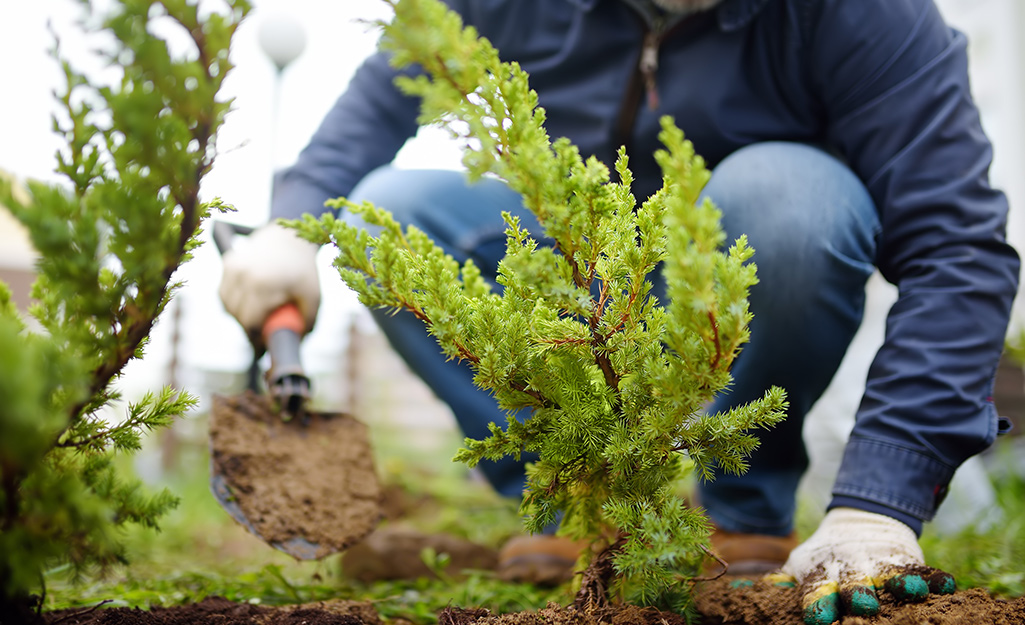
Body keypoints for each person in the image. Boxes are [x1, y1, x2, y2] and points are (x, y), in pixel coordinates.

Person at [219, 0, 1020, 622]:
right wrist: (292, 222)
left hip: (737, 279)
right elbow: (384, 88)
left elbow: (955, 247)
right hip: (580, 281)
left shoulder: (861, 17)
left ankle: (743, 506)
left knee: (790, 199)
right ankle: (572, 496)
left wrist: (878, 501)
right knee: (376, 219)